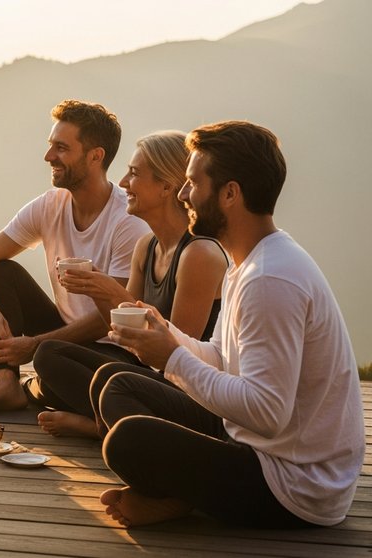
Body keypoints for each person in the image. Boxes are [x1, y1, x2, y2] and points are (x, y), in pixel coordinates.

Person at [98, 121, 364, 529]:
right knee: (117, 384)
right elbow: (222, 357)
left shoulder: (270, 278)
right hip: (253, 441)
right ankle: (179, 494)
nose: (184, 194)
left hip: (295, 484)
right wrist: (167, 337)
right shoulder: (246, 262)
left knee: (129, 440)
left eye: (192, 183)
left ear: (229, 193)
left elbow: (267, 412)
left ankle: (178, 499)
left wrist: (171, 359)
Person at [25, 131, 227, 438]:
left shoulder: (198, 254)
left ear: (166, 187)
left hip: (187, 389)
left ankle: (100, 426)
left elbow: (177, 356)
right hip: (143, 372)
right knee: (50, 354)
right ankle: (108, 417)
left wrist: (109, 290)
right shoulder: (147, 246)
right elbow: (123, 333)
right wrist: (96, 290)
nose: (122, 184)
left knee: (107, 379)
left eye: (134, 174)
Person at [0, 100, 150, 414]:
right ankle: (5, 381)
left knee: (50, 358)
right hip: (62, 336)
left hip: (113, 351)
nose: (48, 157)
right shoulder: (50, 205)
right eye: (51, 146)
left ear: (95, 156)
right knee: (2, 271)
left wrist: (35, 344)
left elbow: (112, 320)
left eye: (61, 148)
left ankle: (27, 390)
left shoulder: (128, 222)